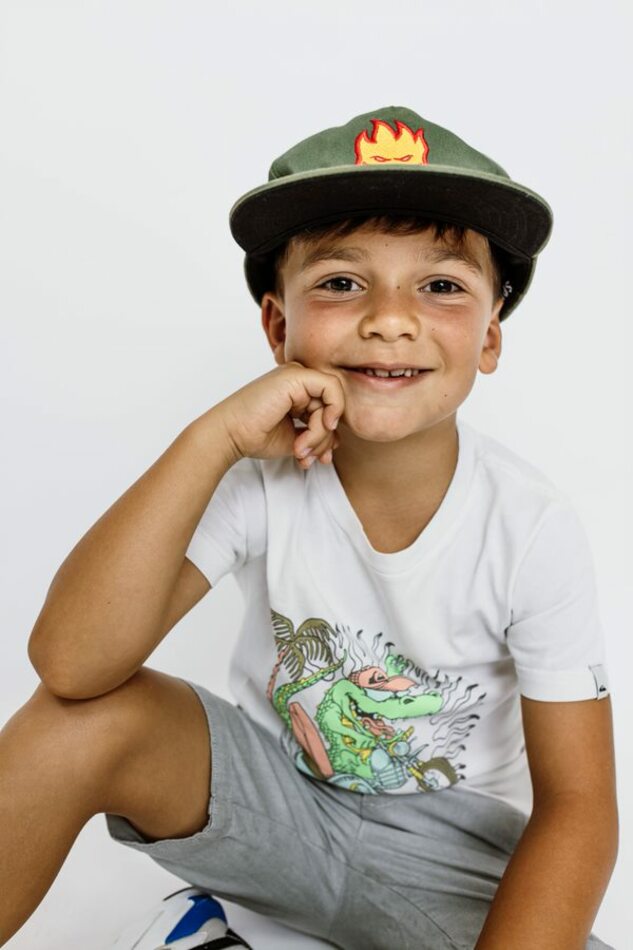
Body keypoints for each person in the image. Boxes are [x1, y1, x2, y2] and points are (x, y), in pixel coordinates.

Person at [1, 106, 618, 950]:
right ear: (276, 326)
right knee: (81, 721)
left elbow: (579, 806)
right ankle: (242, 926)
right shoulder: (256, 479)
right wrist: (212, 438)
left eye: (440, 286)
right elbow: (73, 666)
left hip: (452, 866)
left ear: (489, 336)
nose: (388, 318)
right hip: (282, 822)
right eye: (340, 283)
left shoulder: (531, 526)